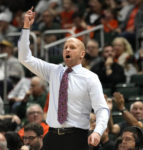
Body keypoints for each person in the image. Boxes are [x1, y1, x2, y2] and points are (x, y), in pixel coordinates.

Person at [18, 8, 109, 150]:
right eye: (65, 47)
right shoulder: (54, 71)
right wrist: (26, 28)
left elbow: (102, 108)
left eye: (72, 47)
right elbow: (25, 58)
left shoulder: (90, 77)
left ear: (82, 54)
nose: (67, 49)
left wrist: (98, 131)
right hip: (52, 136)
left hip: (77, 137)